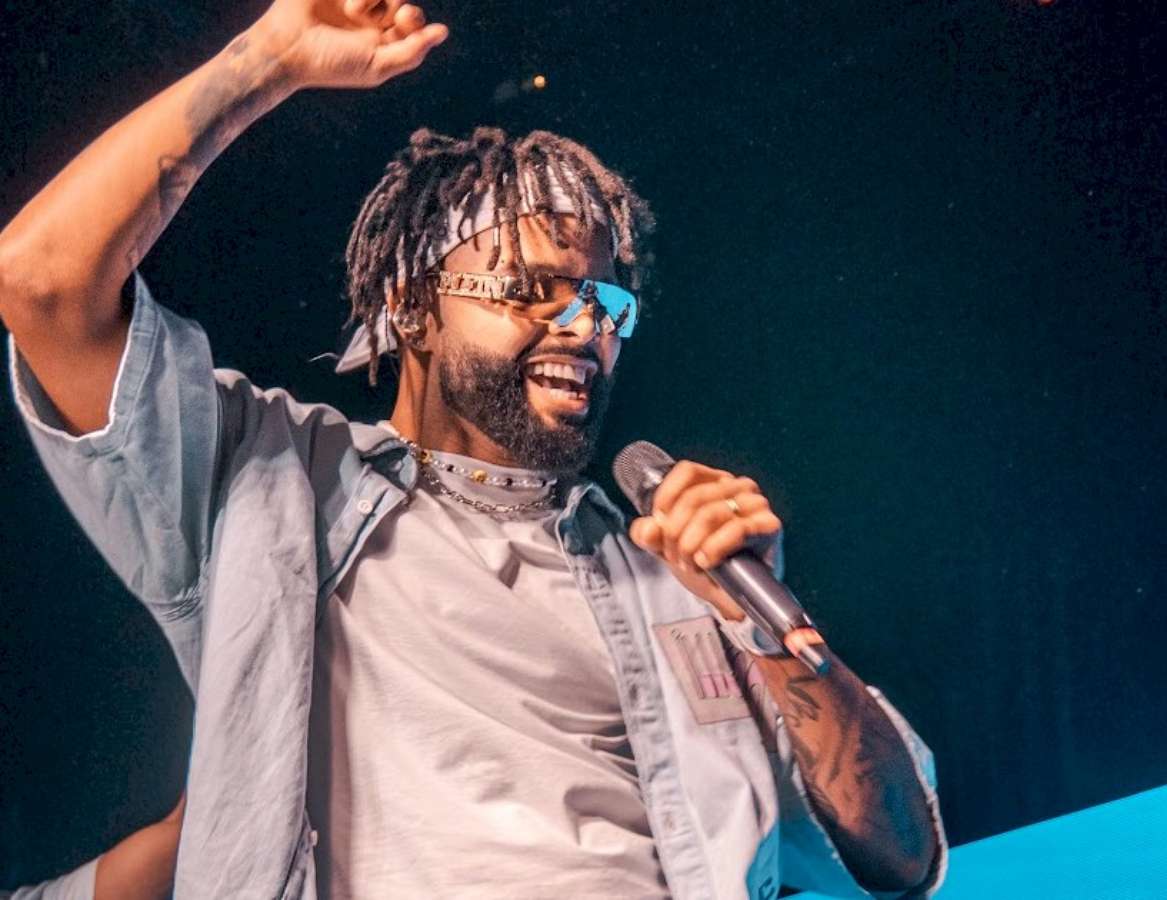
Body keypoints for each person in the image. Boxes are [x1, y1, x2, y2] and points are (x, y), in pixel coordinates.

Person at [0, 1, 947, 897]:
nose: (583, 327)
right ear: (412, 307)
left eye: (605, 302)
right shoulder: (269, 478)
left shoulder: (675, 580)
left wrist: (773, 638)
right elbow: (42, 281)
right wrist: (268, 62)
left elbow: (902, 857)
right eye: (530, 291)